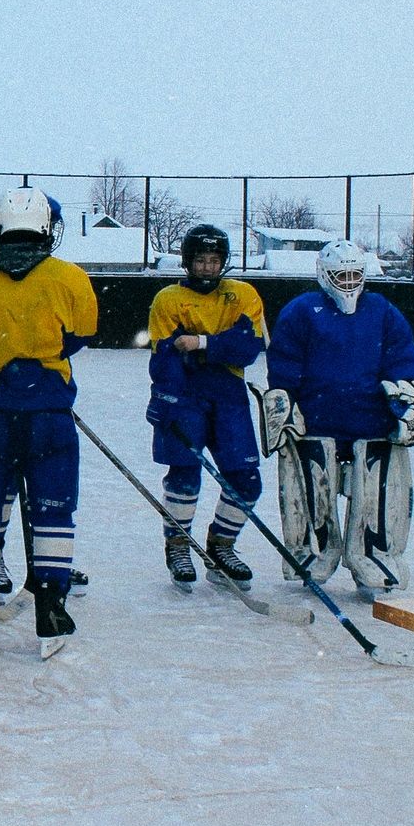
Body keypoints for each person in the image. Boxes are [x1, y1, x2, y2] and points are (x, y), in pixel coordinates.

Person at [0, 186, 96, 657]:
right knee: (53, 511)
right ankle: (50, 608)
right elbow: (79, 335)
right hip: (48, 415)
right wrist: (37, 367)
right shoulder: (69, 277)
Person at [262, 239, 414, 601]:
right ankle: (314, 553)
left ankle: (373, 557)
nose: (349, 282)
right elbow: (285, 363)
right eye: (342, 274)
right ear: (324, 274)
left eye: (355, 274)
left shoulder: (381, 311)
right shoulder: (302, 311)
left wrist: (407, 400)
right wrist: (285, 404)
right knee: (311, 492)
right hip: (317, 424)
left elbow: (402, 358)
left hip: (372, 424)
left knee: (376, 497)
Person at [146, 224, 267, 591]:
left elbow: (249, 346)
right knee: (185, 475)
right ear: (187, 262)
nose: (208, 269)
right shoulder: (167, 299)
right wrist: (165, 399)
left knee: (246, 480)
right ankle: (178, 545)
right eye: (200, 260)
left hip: (229, 396)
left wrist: (199, 343)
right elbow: (165, 356)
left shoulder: (243, 294)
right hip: (185, 395)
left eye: (215, 261)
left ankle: (221, 546)